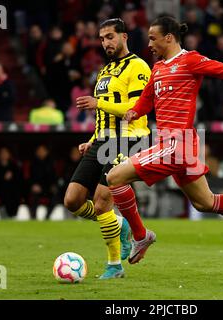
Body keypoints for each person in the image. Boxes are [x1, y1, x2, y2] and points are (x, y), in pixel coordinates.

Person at [106, 16, 223, 265]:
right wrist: (134, 112)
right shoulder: (158, 68)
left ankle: (141, 235)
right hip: (176, 145)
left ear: (168, 38)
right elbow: (147, 100)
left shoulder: (189, 60)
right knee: (206, 202)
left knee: (114, 177)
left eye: (153, 38)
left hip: (176, 144)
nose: (149, 44)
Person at [64, 18, 151, 279]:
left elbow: (135, 109)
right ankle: (121, 224)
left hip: (129, 138)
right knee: (73, 200)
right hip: (104, 140)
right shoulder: (105, 71)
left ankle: (114, 265)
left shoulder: (137, 66)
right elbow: (105, 115)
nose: (106, 42)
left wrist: (97, 103)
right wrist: (93, 138)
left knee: (102, 203)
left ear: (124, 37)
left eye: (110, 36)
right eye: (102, 38)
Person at [0, 147, 23, 218]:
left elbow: (19, 180)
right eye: (2, 153)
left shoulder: (14, 167)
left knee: (15, 192)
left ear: (9, 155)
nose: (4, 155)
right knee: (5, 192)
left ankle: (13, 215)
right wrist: (3, 178)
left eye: (6, 153)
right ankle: (6, 215)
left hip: (12, 190)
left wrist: (12, 179)